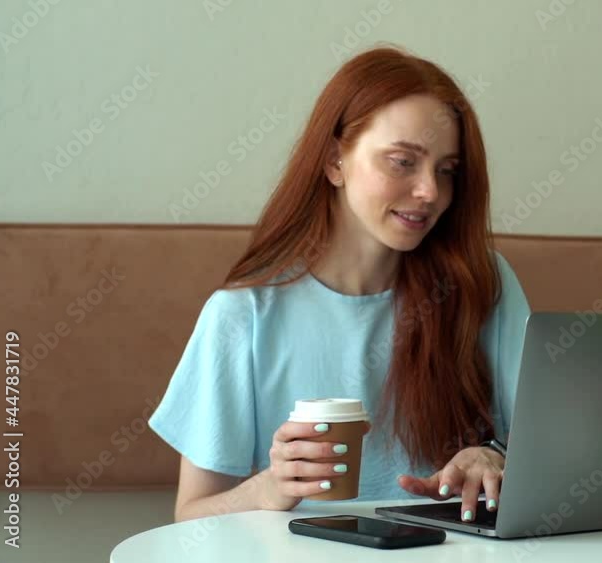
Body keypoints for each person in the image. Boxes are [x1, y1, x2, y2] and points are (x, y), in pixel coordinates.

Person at [148, 45, 530, 524]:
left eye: (446, 171)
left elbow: (557, 448)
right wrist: (270, 487)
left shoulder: (483, 285)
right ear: (334, 161)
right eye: (402, 162)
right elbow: (192, 514)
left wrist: (494, 456)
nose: (431, 191)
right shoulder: (244, 315)